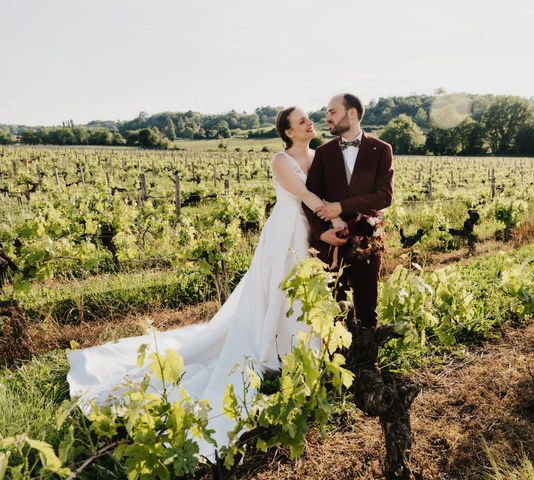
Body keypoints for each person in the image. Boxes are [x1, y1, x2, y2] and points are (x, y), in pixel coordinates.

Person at [66, 106, 347, 460]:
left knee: (302, 291)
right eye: (302, 120)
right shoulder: (281, 160)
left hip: (309, 231)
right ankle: (271, 347)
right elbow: (306, 197)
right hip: (284, 233)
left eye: (309, 118)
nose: (310, 122)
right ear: (289, 132)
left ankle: (296, 347)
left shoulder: (319, 155)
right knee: (277, 288)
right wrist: (335, 219)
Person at [304, 93, 394, 328]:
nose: (327, 118)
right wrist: (322, 233)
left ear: (351, 113)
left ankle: (367, 362)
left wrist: (341, 207)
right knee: (334, 308)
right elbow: (308, 198)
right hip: (332, 244)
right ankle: (338, 360)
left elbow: (384, 197)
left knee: (367, 306)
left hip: (367, 239)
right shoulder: (323, 153)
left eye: (332, 112)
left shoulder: (381, 149)